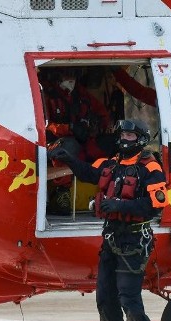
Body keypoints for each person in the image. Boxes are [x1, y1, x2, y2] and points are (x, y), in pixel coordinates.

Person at [48, 119, 169, 321]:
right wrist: (68, 158)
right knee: (104, 296)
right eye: (122, 134)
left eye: (129, 134)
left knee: (129, 297)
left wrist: (121, 207)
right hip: (111, 240)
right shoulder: (111, 164)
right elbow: (88, 173)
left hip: (134, 241)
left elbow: (155, 205)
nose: (124, 138)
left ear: (140, 140)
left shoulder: (151, 167)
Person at [44, 68, 113, 214]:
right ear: (57, 75)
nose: (71, 79)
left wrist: (101, 126)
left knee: (109, 144)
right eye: (66, 74)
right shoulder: (46, 95)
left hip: (83, 142)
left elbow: (101, 111)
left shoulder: (80, 94)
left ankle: (112, 190)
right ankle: (61, 194)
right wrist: (69, 128)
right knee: (68, 147)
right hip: (53, 144)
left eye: (73, 75)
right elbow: (44, 125)